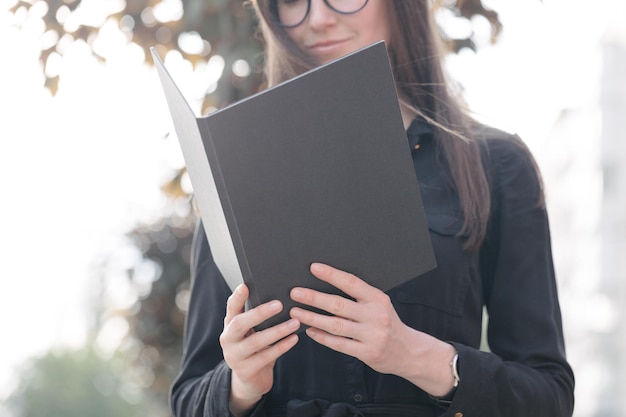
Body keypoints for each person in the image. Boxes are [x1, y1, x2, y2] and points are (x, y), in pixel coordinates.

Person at [170, 1, 575, 416]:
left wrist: (415, 355)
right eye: (293, 0)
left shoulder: (496, 164)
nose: (318, 19)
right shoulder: (237, 172)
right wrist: (240, 385)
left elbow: (549, 396)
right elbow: (189, 399)